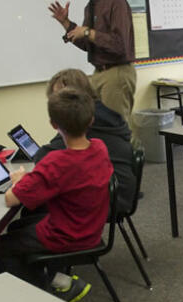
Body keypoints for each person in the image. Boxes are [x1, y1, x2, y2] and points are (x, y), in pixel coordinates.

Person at [0, 84, 113, 302]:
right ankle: (56, 278)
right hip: (90, 230)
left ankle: (43, 294)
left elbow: (11, 199)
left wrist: (18, 181)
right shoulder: (99, 147)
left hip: (66, 237)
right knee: (17, 226)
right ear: (91, 121)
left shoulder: (56, 162)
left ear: (53, 125)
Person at [47, 0, 138, 144]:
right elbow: (88, 44)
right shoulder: (91, 6)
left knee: (116, 131)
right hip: (98, 73)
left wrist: (88, 32)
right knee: (96, 129)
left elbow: (120, 45)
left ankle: (125, 171)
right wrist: (66, 23)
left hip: (116, 73)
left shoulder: (116, 2)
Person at [39, 67, 136, 215]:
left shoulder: (82, 119)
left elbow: (44, 158)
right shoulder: (102, 112)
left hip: (107, 197)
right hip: (119, 190)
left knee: (39, 202)